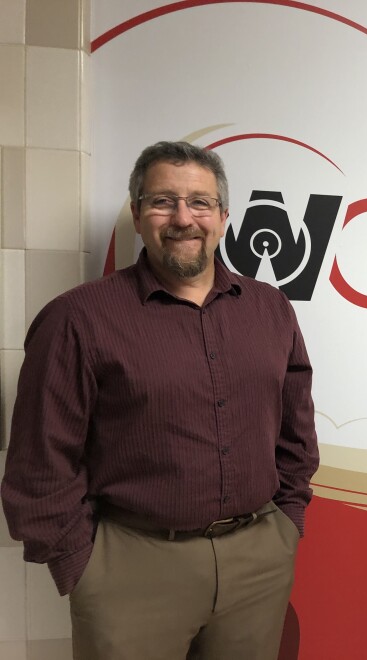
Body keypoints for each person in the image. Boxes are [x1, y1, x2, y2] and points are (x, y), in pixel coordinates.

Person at [1, 141, 319, 659]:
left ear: (223, 217)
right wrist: (82, 567)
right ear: (136, 214)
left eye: (199, 202)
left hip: (258, 559)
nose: (182, 218)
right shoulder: (78, 318)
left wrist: (287, 521)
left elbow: (296, 425)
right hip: (130, 568)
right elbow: (40, 461)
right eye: (162, 201)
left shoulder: (271, 309)